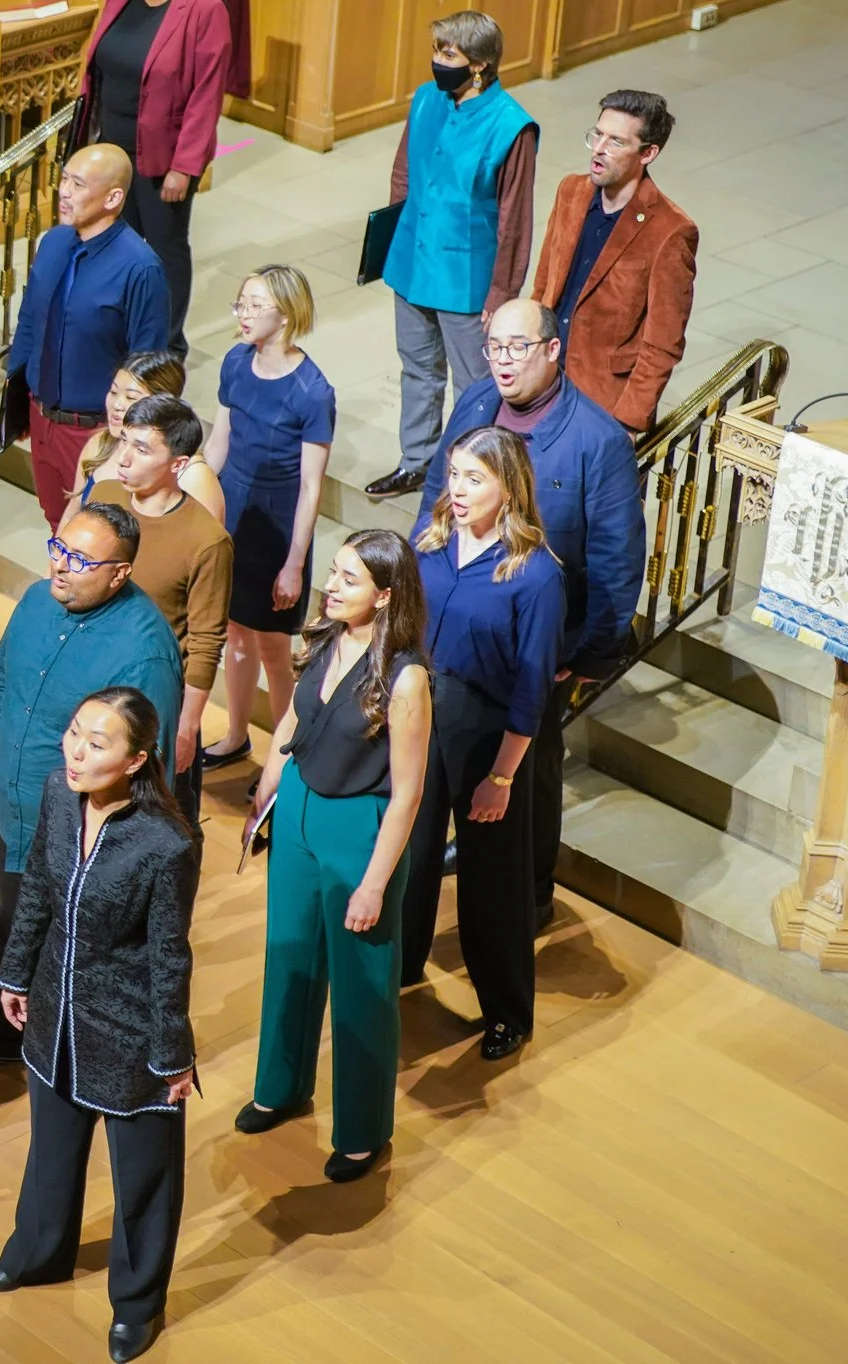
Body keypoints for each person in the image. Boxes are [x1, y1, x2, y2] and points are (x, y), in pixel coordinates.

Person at [0, 686, 199, 1364]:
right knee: (50, 1154)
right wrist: (14, 976)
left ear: (136, 760)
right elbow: (37, 889)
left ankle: (136, 1306)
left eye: (97, 743)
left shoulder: (166, 843)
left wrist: (172, 1057)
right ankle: (38, 1254)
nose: (75, 750)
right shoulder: (56, 793)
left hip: (130, 1034)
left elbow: (169, 960)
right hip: (53, 1011)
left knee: (144, 1181)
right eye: (76, 733)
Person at [0, 500, 182, 1077]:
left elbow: (146, 762)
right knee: (11, 925)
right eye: (58, 549)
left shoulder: (145, 649)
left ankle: (48, 1049)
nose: (61, 566)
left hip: (76, 832)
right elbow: (2, 679)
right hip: (17, 809)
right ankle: (8, 1034)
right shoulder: (37, 600)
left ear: (120, 573)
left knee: (60, 943)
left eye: (80, 560)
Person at [414, 298, 642, 918]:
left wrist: (590, 652)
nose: (504, 361)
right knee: (448, 757)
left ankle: (529, 895)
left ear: (552, 349)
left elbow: (618, 561)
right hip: (458, 627)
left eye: (518, 347)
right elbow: (435, 501)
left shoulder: (597, 442)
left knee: (530, 770)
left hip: (540, 642)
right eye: (494, 347)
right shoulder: (476, 403)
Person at [238, 529, 431, 1183]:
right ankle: (282, 1085)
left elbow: (408, 795)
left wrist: (375, 884)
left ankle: (363, 1130)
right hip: (298, 805)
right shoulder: (326, 638)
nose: (333, 585)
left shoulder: (408, 681)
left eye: (349, 579)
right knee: (288, 952)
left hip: (360, 828)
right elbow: (295, 716)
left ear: (383, 597)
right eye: (335, 572)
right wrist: (270, 779)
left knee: (361, 986)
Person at [399, 427, 566, 1061]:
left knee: (492, 881)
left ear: (508, 487)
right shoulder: (432, 543)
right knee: (409, 851)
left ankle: (505, 1011)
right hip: (422, 711)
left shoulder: (536, 574)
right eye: (455, 475)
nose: (458, 490)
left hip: (489, 730)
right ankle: (402, 967)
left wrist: (500, 777)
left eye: (474, 478)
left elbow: (532, 688)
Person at [367, 9, 538, 500]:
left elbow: (515, 218)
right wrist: (392, 242)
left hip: (467, 279)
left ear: (480, 65)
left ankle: (471, 477)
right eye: (437, 50)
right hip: (412, 264)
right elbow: (403, 175)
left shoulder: (512, 126)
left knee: (474, 386)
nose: (437, 61)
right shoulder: (426, 99)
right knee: (417, 370)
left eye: (448, 53)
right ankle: (416, 463)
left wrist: (503, 293)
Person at [77, 0, 231, 355]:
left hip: (164, 155)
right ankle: (120, 331)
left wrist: (184, 168)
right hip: (112, 147)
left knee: (163, 250)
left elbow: (206, 97)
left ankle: (164, 348)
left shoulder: (204, 9)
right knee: (114, 242)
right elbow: (100, 63)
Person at [201, 266, 335, 772]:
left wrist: (295, 564)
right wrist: (192, 502)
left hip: (278, 527)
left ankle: (288, 758)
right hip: (233, 510)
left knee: (276, 647)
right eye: (241, 303)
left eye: (255, 305)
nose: (243, 314)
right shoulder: (236, 362)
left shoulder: (312, 391)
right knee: (235, 632)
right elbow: (219, 442)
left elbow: (310, 485)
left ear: (286, 314)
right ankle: (236, 735)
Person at [4, 144, 170, 525]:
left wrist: (123, 442)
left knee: (96, 532)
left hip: (96, 432)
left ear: (113, 197)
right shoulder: (53, 243)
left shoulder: (141, 269)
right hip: (41, 419)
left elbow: (149, 369)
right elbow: (30, 320)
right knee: (55, 522)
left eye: (78, 184)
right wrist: (17, 404)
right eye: (64, 179)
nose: (64, 191)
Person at [87, 395, 233, 813]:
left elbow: (206, 641)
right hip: (94, 676)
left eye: (142, 449)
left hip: (153, 699)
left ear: (179, 465)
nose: (125, 459)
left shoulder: (207, 541)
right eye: (125, 442)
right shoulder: (106, 496)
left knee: (155, 815)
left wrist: (186, 725)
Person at [531, 90, 697, 433]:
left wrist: (627, 423)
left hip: (600, 402)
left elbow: (663, 343)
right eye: (598, 134)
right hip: (543, 378)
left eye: (616, 141)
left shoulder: (671, 231)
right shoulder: (571, 191)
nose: (599, 148)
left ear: (648, 153)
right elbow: (543, 286)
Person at [70, 350, 226, 523]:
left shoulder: (193, 476)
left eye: (130, 397)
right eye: (113, 392)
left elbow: (208, 545)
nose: (117, 405)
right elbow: (73, 511)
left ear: (162, 403)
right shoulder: (99, 444)